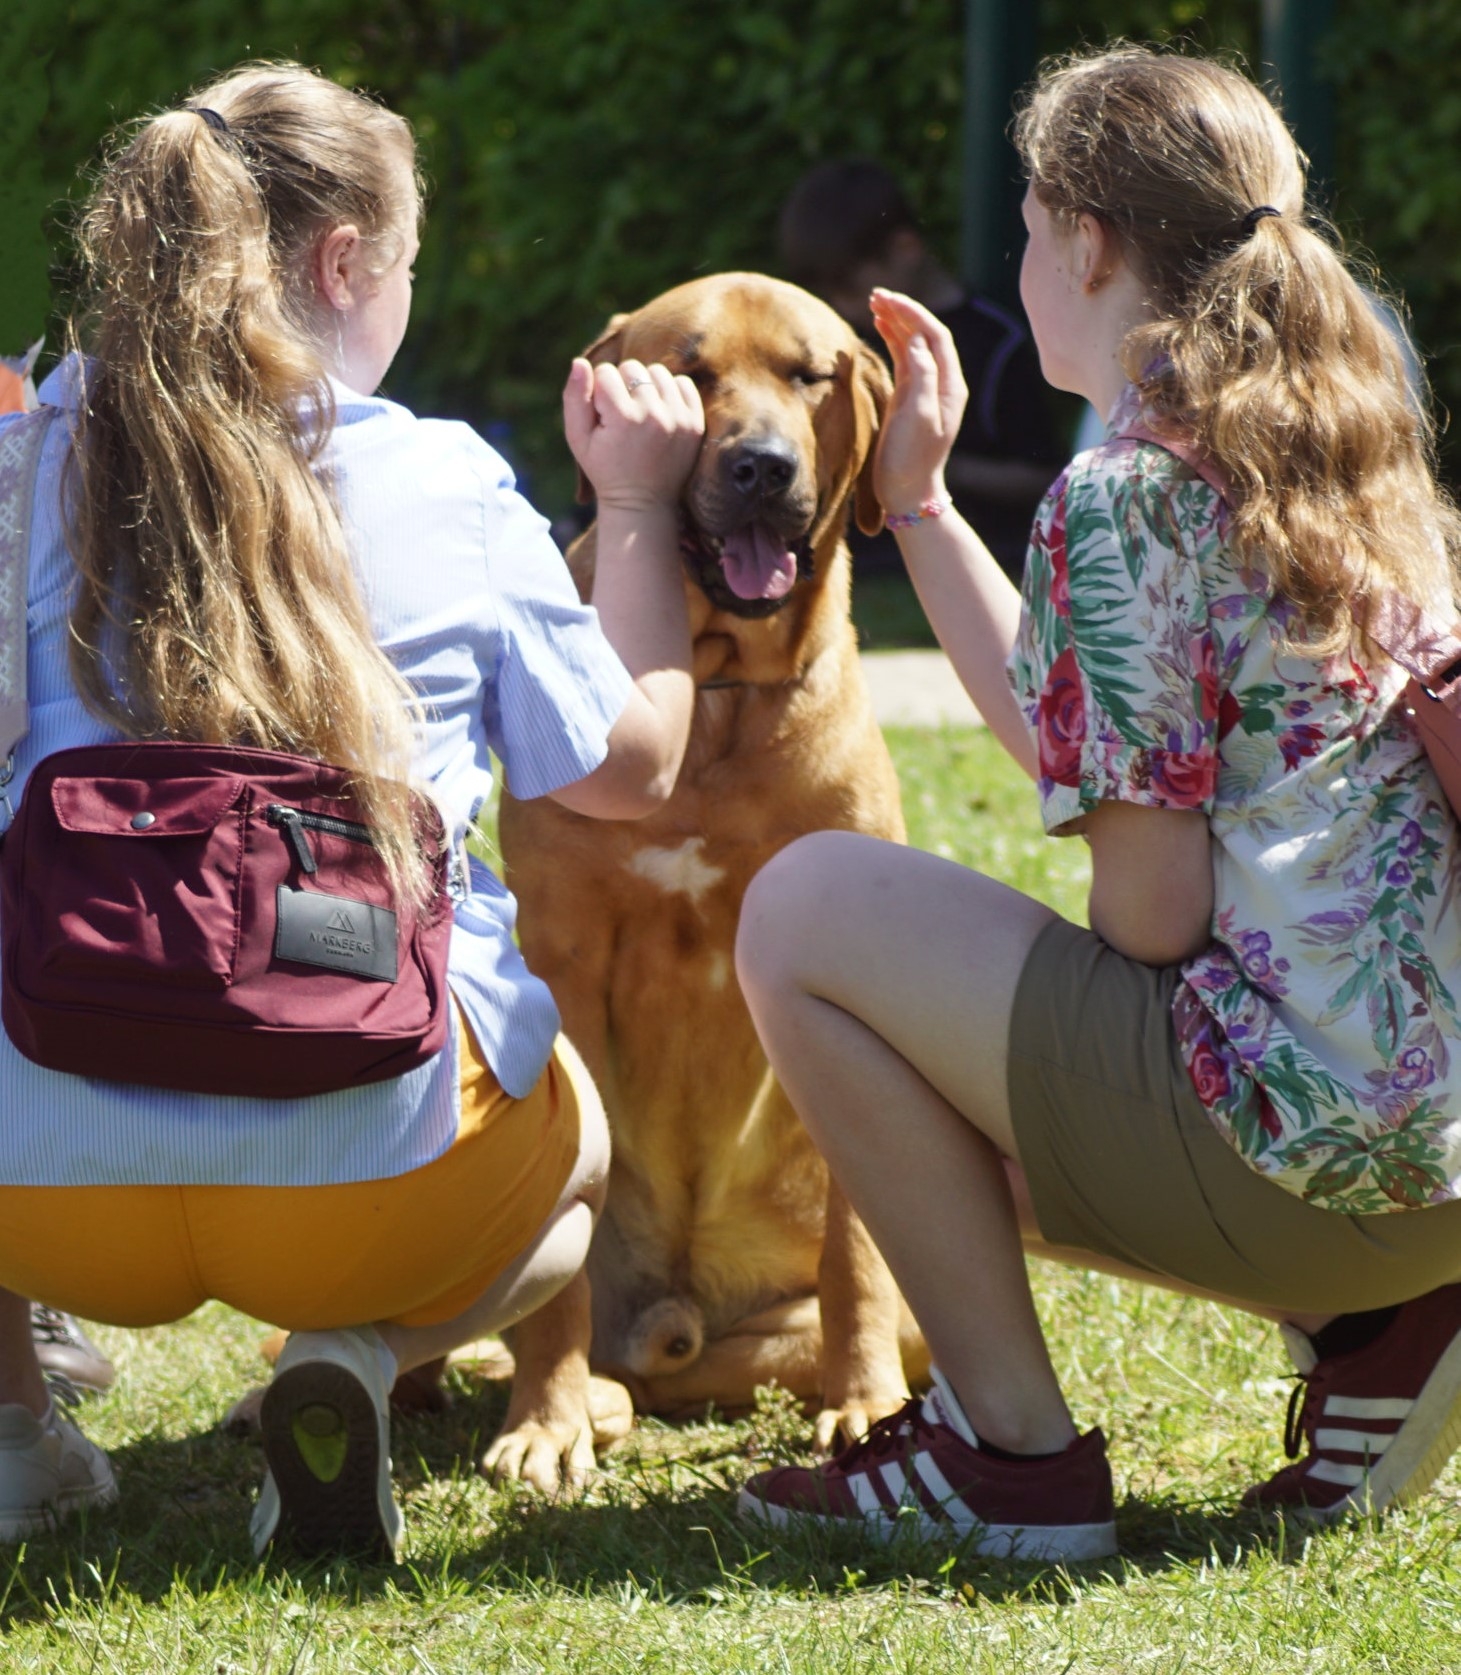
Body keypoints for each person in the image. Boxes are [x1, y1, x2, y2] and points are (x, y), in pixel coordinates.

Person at [735, 45, 1461, 1561]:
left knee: (805, 907)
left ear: (1085, 240)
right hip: (1435, 1162)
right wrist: (921, 502)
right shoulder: (1346, 450)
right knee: (941, 1068)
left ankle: (1012, 1458)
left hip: (1311, 1157)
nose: (1019, 261)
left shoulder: (1126, 494)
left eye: (1023, 229)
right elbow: (1101, 736)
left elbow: (1152, 908)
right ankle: (1377, 1323)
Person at [0, 62, 703, 1557]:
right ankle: (362, 1356)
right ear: (341, 265)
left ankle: (12, 1433)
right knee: (576, 1151)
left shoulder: (24, 465)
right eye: (404, 269)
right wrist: (634, 511)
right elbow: (634, 767)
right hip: (380, 1185)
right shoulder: (446, 478)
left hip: (42, 1193)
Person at [777, 159, 1067, 580]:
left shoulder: (998, 342)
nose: (841, 306)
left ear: (904, 249)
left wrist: (929, 467)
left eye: (850, 288)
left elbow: (1043, 475)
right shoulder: (844, 338)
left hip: (973, 543)